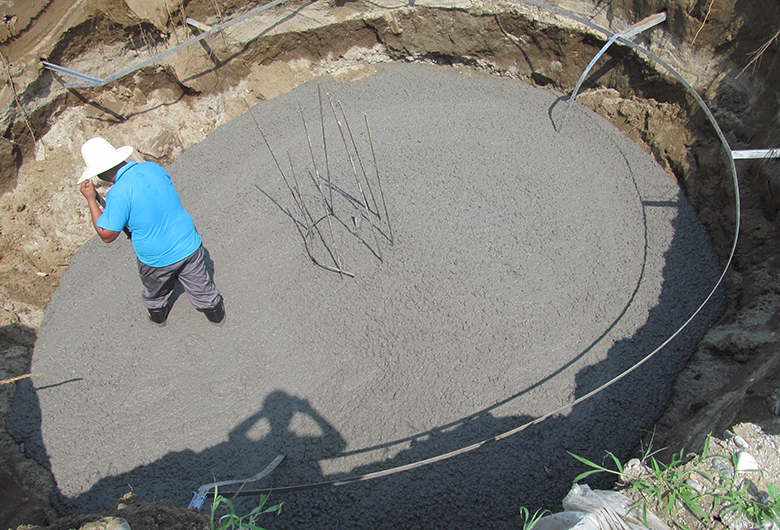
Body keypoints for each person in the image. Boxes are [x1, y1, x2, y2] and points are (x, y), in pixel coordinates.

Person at [78, 137, 225, 325]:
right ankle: (216, 314)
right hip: (188, 242)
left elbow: (106, 234)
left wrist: (91, 199)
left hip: (156, 257)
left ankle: (158, 315)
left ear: (100, 172)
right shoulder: (152, 168)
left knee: (156, 290)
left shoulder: (118, 193)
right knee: (200, 285)